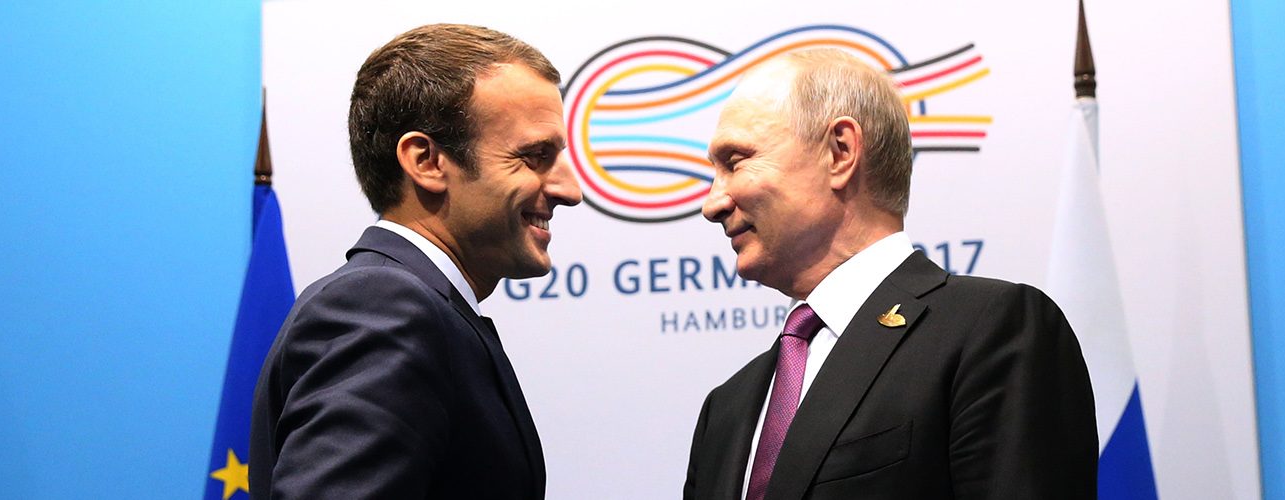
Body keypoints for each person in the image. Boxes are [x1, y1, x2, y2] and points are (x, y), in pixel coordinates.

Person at [683, 49, 1097, 499]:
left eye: (735, 161)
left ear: (839, 152)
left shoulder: (991, 332)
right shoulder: (727, 409)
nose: (712, 203)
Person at [250, 23, 581, 499]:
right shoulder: (382, 307)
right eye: (533, 156)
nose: (571, 190)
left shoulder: (416, 307)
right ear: (426, 161)